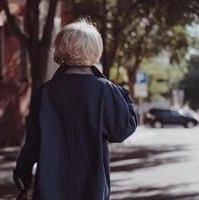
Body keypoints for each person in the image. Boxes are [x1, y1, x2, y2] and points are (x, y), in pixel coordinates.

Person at [13, 19, 138, 200]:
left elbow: (33, 142)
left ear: (60, 48)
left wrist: (22, 173)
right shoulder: (104, 89)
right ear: (95, 50)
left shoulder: (45, 92)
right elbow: (123, 129)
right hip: (91, 188)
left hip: (50, 190)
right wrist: (120, 92)